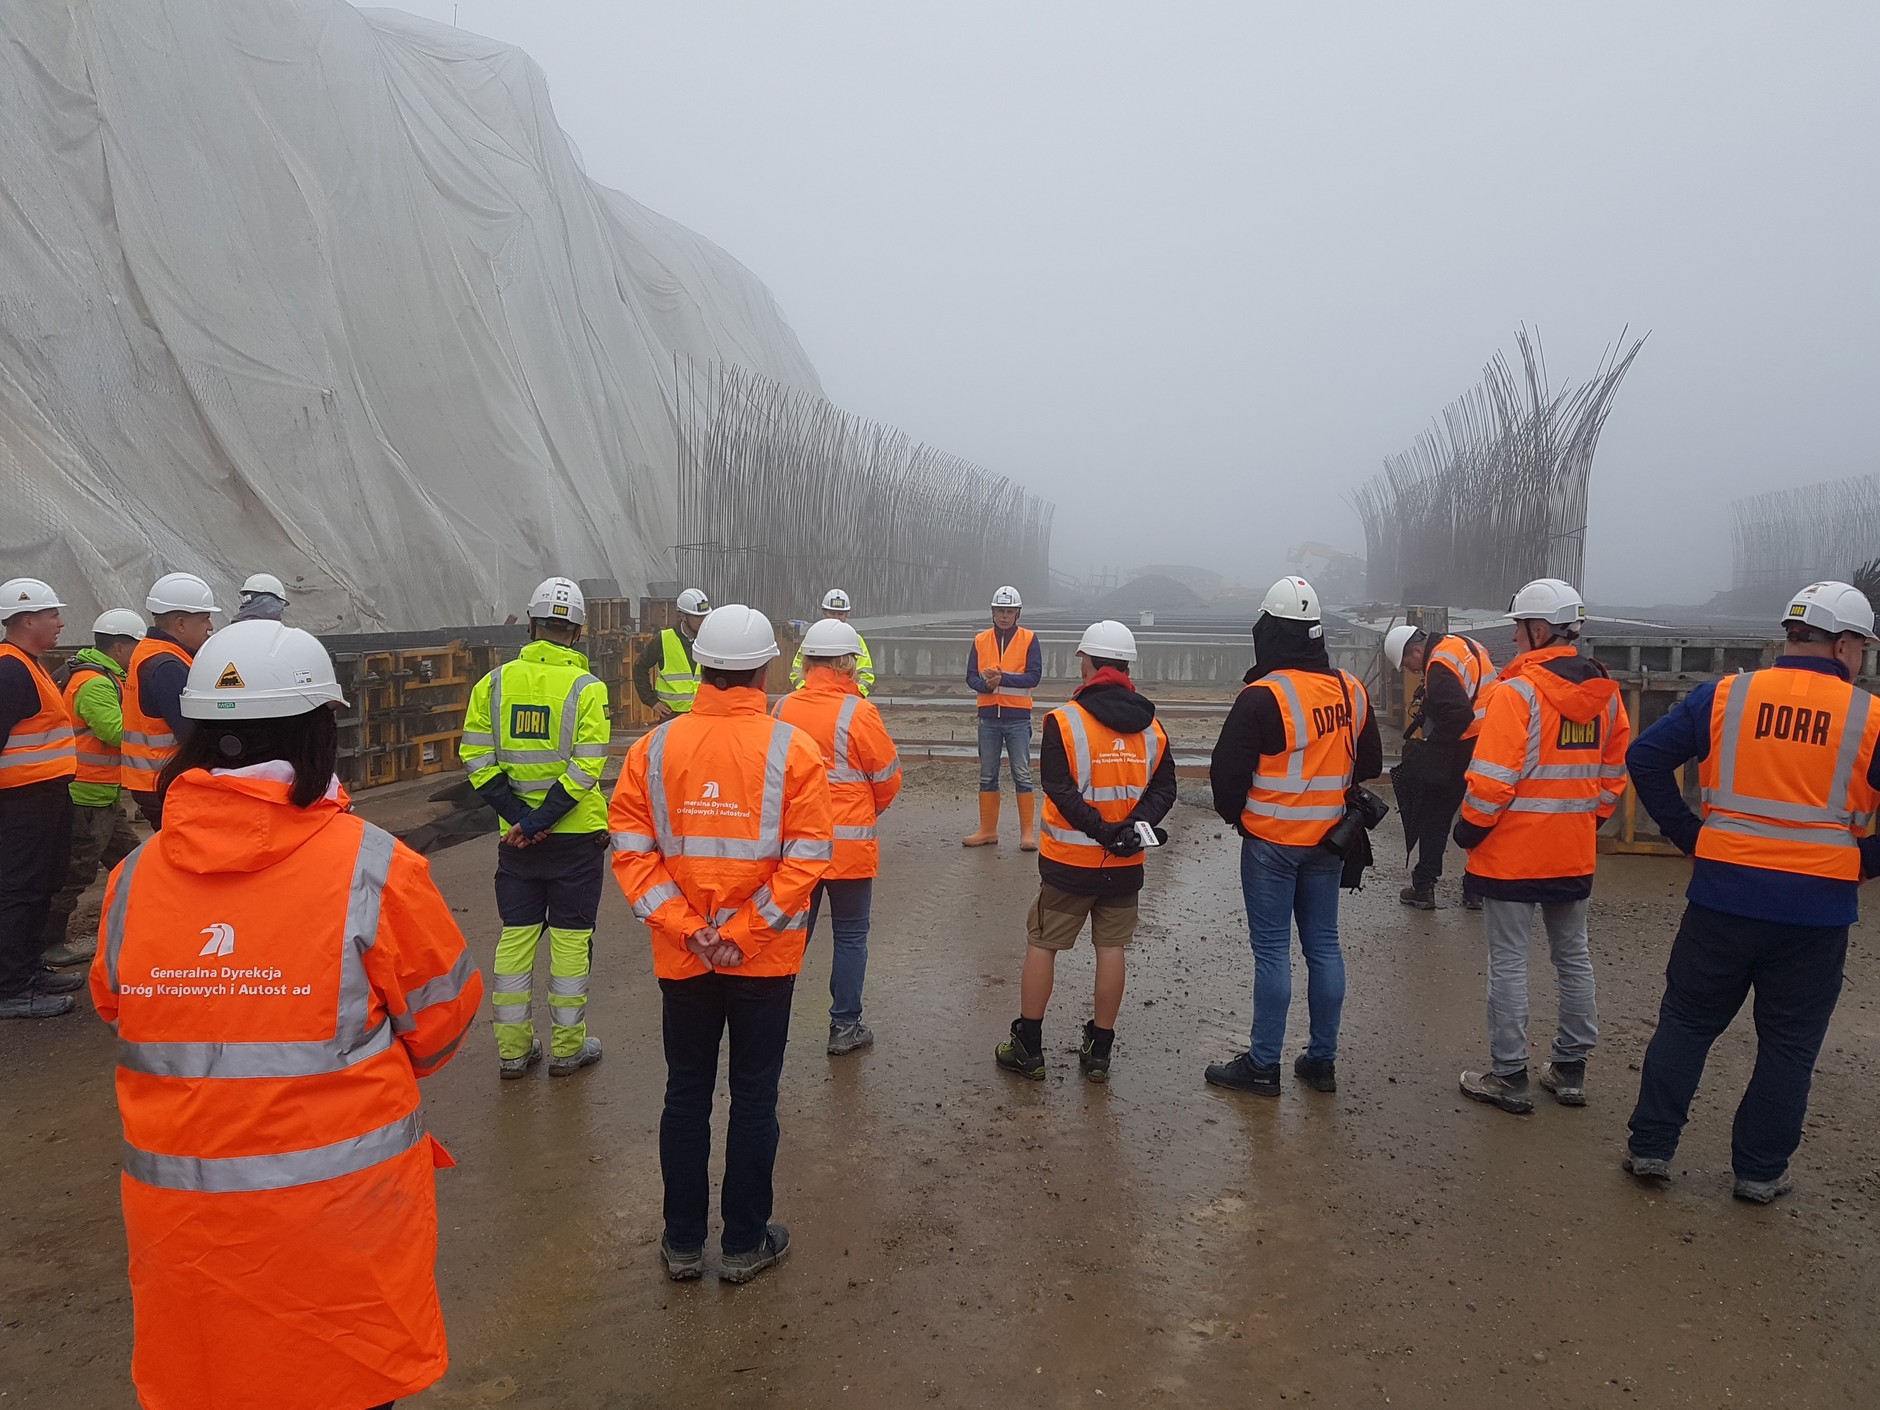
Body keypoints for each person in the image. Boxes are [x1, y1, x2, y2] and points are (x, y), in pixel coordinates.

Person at [90, 618, 482, 1410]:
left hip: (186, 1238)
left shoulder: (133, 878)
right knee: (342, 1384)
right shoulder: (375, 868)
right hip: (339, 1232)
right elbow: (439, 1021)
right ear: (317, 734)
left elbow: (118, 1010)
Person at [1622, 581, 1880, 1203]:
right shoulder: (1869, 718)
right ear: (1843, 645)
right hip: (1816, 911)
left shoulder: (1726, 696)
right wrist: (1862, 863)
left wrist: (1689, 835)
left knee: (1687, 1022)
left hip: (1723, 896)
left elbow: (1646, 757)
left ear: (1792, 637)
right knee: (1789, 1045)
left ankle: (1651, 1147)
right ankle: (1759, 1173)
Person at [610, 605, 832, 1284]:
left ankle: (682, 1243)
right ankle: (742, 1243)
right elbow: (807, 858)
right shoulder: (794, 750)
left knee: (686, 1093)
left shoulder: (653, 749)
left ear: (701, 666)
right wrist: (742, 934)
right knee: (754, 1096)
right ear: (764, 671)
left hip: (685, 958)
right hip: (763, 960)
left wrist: (692, 930)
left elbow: (632, 851)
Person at [1452, 578, 1629, 1115]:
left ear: (1539, 629)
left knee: (1509, 961)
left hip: (1511, 855)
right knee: (1573, 957)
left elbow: (1492, 781)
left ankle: (1509, 1075)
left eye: (1519, 627)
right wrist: (1586, 822)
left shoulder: (1517, 693)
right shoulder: (1605, 696)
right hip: (1571, 851)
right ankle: (1570, 1070)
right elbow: (1613, 774)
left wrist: (1468, 830)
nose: (1513, 637)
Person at [1204, 576, 1381, 1096]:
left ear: (1270, 630)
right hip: (1330, 842)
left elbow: (1226, 778)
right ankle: (1321, 1061)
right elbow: (1369, 762)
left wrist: (1241, 818)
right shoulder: (1351, 690)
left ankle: (1263, 1066)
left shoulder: (1263, 696)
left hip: (1271, 845)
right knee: (1324, 947)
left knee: (1273, 954)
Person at [994, 620, 1175, 1083]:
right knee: (1111, 949)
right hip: (1124, 865)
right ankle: (1099, 1052)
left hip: (1069, 865)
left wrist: (1102, 831)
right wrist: (1130, 830)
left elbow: (1058, 788)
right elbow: (1165, 790)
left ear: (1088, 664)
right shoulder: (1152, 728)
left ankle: (1028, 1048)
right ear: (1127, 667)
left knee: (1043, 944)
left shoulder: (1064, 721)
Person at [460, 576, 610, 1079]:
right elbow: (587, 768)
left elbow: (476, 759)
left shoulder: (493, 684)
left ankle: (513, 1051)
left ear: (530, 625)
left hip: (517, 840)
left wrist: (522, 821)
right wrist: (541, 820)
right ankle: (568, 1048)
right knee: (571, 940)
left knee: (516, 938)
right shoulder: (587, 689)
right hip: (575, 838)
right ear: (578, 632)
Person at [775, 617, 901, 1054]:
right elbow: (887, 777)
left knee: (791, 935)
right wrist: (868, 809)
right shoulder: (859, 712)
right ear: (847, 664)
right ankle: (845, 1027)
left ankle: (768, 1020)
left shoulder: (783, 709)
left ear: (807, 662)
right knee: (850, 935)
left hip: (794, 848)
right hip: (848, 848)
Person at [41, 609, 147, 969]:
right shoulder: (95, 683)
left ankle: (141, 922)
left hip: (103, 794)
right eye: (136, 646)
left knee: (130, 859)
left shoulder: (101, 675)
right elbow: (115, 732)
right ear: (120, 647)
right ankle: (49, 943)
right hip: (87, 794)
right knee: (77, 871)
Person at [0, 578, 81, 1020]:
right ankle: (10, 986)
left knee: (42, 884)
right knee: (19, 890)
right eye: (53, 615)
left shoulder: (29, 665)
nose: (60, 623)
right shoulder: (10, 670)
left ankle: (28, 972)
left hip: (44, 796)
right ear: (27, 619)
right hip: (21, 802)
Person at [1384, 623, 1495, 910]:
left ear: (1415, 651)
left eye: (1406, 664)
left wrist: (1434, 747)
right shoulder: (1462, 644)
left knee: (1435, 815)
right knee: (1483, 813)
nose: (1409, 670)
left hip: (1465, 744)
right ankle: (1476, 888)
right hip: (1492, 741)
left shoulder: (1439, 666)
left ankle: (1424, 886)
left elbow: (1459, 714)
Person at [122, 572, 220, 829]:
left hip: (156, 780)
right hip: (166, 781)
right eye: (204, 618)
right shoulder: (167, 665)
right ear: (180, 624)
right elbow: (194, 733)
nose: (210, 626)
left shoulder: (152, 652)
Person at [963, 585, 1043, 850]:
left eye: (1009, 611)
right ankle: (987, 831)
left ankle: (1027, 835)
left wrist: (1003, 679)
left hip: (1017, 719)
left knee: (1022, 774)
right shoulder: (980, 640)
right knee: (988, 775)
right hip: (988, 718)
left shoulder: (1029, 639)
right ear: (993, 612)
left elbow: (1034, 676)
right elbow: (970, 677)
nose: (1004, 616)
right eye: (1000, 611)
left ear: (1018, 613)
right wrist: (986, 686)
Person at [633, 587, 711, 720]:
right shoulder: (664, 639)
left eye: (705, 616)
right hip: (672, 716)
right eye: (697, 616)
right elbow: (640, 668)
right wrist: (652, 701)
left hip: (703, 714)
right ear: (683, 616)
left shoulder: (710, 640)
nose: (702, 620)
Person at [789, 588, 877, 696]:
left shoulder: (856, 640)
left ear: (846, 615)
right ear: (824, 613)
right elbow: (797, 671)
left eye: (840, 614)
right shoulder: (813, 636)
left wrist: (854, 695)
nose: (836, 617)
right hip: (815, 696)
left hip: (844, 697)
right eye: (832, 613)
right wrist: (807, 691)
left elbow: (866, 676)